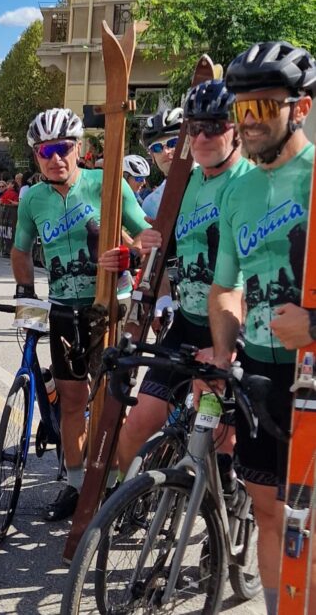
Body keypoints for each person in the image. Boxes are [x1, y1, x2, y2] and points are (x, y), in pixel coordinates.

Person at [11, 107, 160, 521]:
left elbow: (146, 237)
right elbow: (21, 249)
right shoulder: (32, 200)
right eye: (45, 151)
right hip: (63, 307)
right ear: (37, 157)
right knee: (73, 401)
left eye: (62, 148)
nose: (55, 157)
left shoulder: (105, 185)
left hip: (110, 306)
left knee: (113, 401)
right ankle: (77, 485)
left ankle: (121, 484)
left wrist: (128, 254)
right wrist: (27, 294)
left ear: (79, 149)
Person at [208, 41, 315, 615]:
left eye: (258, 108)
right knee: (271, 512)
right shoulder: (238, 190)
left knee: (312, 524)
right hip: (264, 372)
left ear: (298, 108)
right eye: (237, 108)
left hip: (314, 368)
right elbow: (226, 285)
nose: (243, 122)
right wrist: (224, 355)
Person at [113, 79, 250, 476]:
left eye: (214, 126)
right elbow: (170, 257)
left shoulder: (249, 183)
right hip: (186, 323)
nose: (201, 137)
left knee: (217, 439)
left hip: (230, 328)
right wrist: (149, 250)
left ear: (235, 128)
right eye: (195, 128)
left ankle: (219, 518)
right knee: (136, 425)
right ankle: (125, 504)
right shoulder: (183, 187)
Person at [140, 108, 183, 219]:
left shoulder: (218, 185)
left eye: (173, 142)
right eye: (157, 147)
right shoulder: (151, 204)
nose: (165, 151)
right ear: (152, 157)